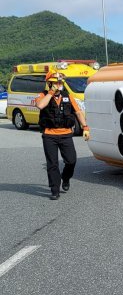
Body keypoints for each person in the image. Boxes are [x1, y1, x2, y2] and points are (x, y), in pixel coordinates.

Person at [35, 71, 90, 200]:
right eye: (55, 82)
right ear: (49, 83)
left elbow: (78, 112)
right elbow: (40, 105)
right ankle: (55, 190)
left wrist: (85, 127)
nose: (58, 85)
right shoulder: (42, 96)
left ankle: (65, 178)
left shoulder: (68, 96)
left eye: (60, 82)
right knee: (52, 164)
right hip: (49, 135)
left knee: (71, 161)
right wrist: (50, 93)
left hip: (66, 134)